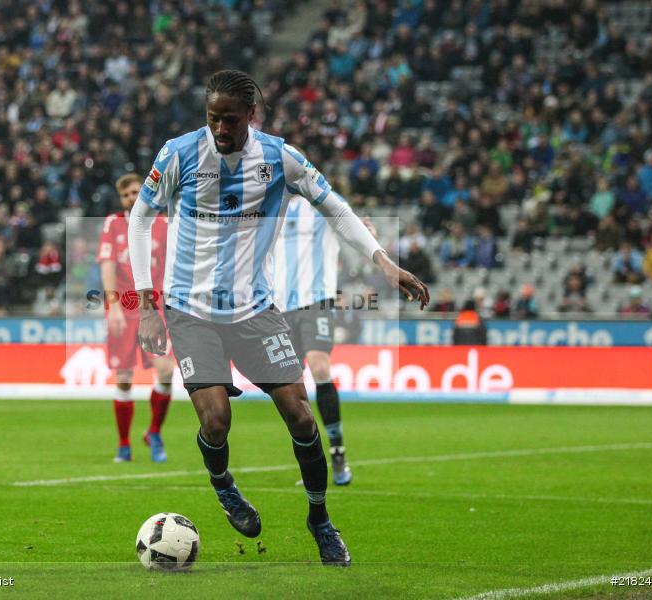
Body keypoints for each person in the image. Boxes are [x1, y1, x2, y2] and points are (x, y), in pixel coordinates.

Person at [128, 70, 429, 566]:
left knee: (300, 414)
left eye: (230, 119)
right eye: (212, 119)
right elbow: (141, 219)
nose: (220, 129)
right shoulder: (178, 154)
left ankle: (320, 519)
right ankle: (223, 483)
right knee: (217, 420)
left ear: (251, 115)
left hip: (255, 309)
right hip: (190, 310)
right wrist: (146, 305)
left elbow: (336, 208)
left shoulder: (278, 158)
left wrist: (384, 262)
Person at [274, 194, 351, 486]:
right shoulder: (270, 206)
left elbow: (348, 221)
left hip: (315, 300)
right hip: (280, 306)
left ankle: (337, 450)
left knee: (320, 367)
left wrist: (365, 230)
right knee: (291, 385)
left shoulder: (320, 203)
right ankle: (312, 461)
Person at [98, 174, 175, 463]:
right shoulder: (113, 223)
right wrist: (113, 306)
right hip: (123, 307)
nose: (131, 198)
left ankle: (154, 431)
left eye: (135, 192)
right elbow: (107, 264)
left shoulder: (162, 224)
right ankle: (124, 444)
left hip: (153, 308)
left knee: (166, 370)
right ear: (121, 199)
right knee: (125, 377)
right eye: (126, 194)